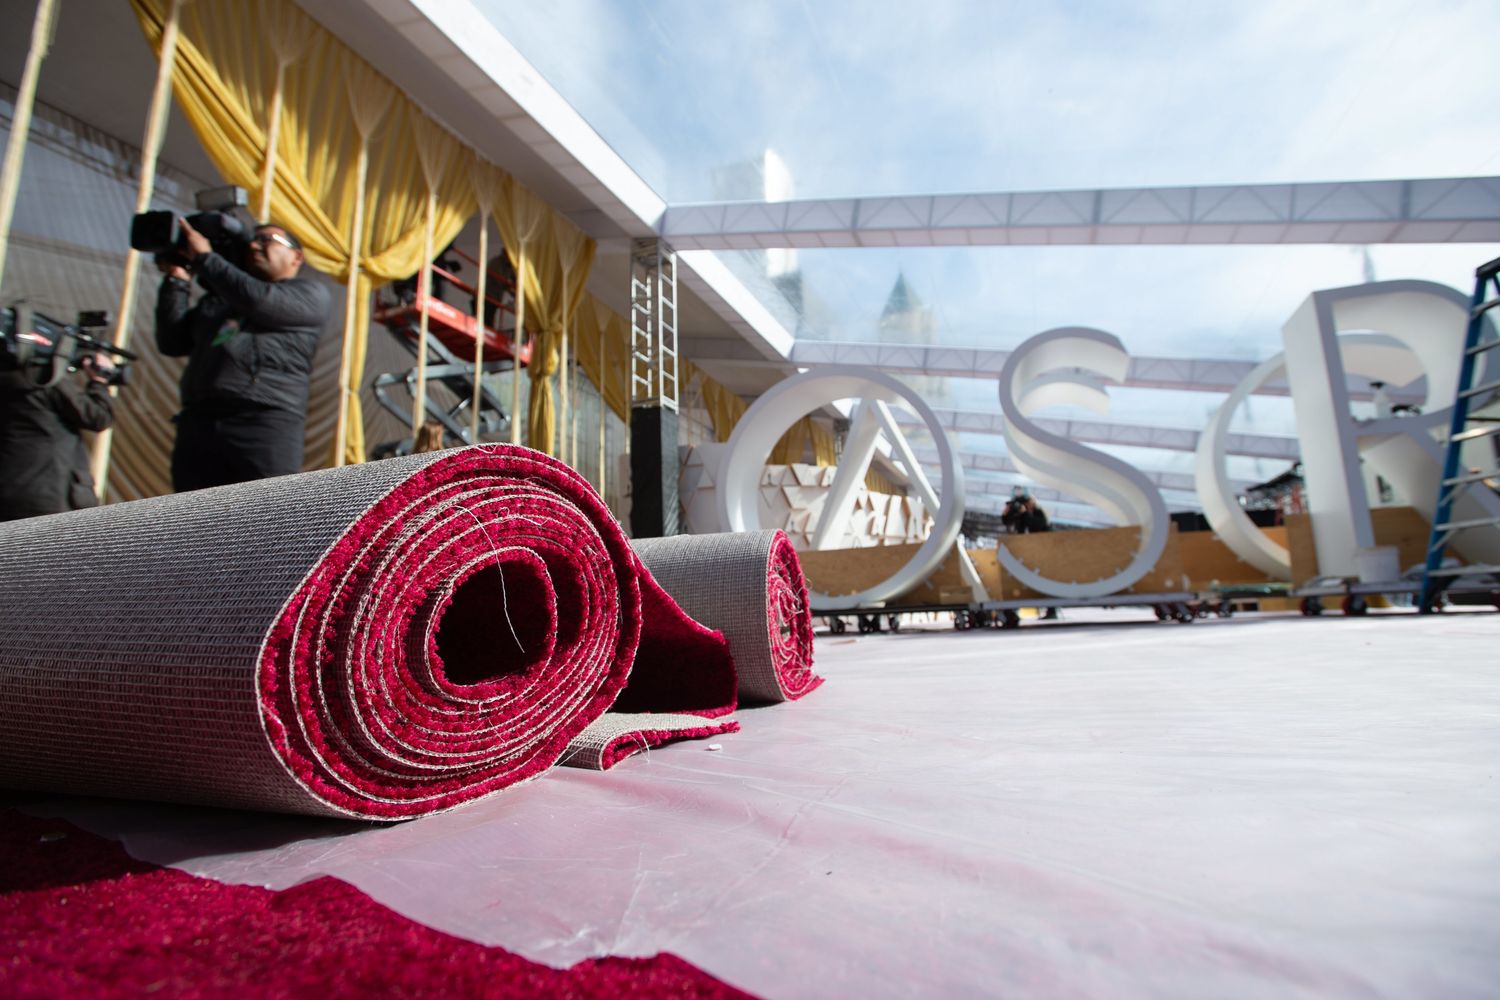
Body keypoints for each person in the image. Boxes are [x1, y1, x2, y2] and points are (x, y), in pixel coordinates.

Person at [156, 219, 331, 491]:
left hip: (263, 422)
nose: (254, 246)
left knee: (265, 510)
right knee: (193, 513)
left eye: (266, 240)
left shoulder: (309, 294)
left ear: (296, 257)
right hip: (199, 422)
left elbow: (261, 301)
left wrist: (205, 258)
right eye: (251, 241)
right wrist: (176, 281)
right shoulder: (222, 299)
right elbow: (172, 342)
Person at [0, 352, 114, 521]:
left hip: (8, 494)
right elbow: (98, 417)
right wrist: (99, 381)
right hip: (52, 495)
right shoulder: (44, 378)